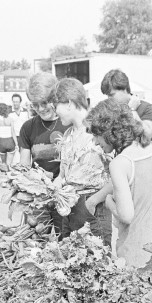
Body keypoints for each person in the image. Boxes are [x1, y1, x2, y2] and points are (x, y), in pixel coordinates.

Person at [88, 99, 152, 268]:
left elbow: (126, 215)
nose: (95, 141)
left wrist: (108, 202)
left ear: (110, 133)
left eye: (97, 135)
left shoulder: (120, 163)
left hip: (137, 255)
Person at [53, 77, 112, 244]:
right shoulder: (67, 135)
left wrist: (92, 202)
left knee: (97, 264)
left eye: (56, 106)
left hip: (92, 207)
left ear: (69, 104)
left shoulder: (99, 129)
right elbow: (63, 175)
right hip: (68, 208)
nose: (55, 113)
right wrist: (53, 186)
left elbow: (118, 174)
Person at [19, 72, 70, 179]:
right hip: (38, 188)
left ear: (54, 98)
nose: (41, 109)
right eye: (35, 105)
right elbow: (24, 166)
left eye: (44, 103)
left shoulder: (69, 123)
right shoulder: (27, 127)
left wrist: (53, 177)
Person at [100, 69, 152, 142]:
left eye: (112, 95)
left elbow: (147, 136)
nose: (109, 99)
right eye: (107, 96)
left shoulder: (147, 108)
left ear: (124, 89)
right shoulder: (110, 110)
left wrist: (131, 111)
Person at [0, 103, 16, 168]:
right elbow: (13, 132)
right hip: (10, 141)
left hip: (1, 141)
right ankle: (9, 175)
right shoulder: (10, 119)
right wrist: (16, 144)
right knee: (9, 164)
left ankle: (4, 175)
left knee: (3, 164)